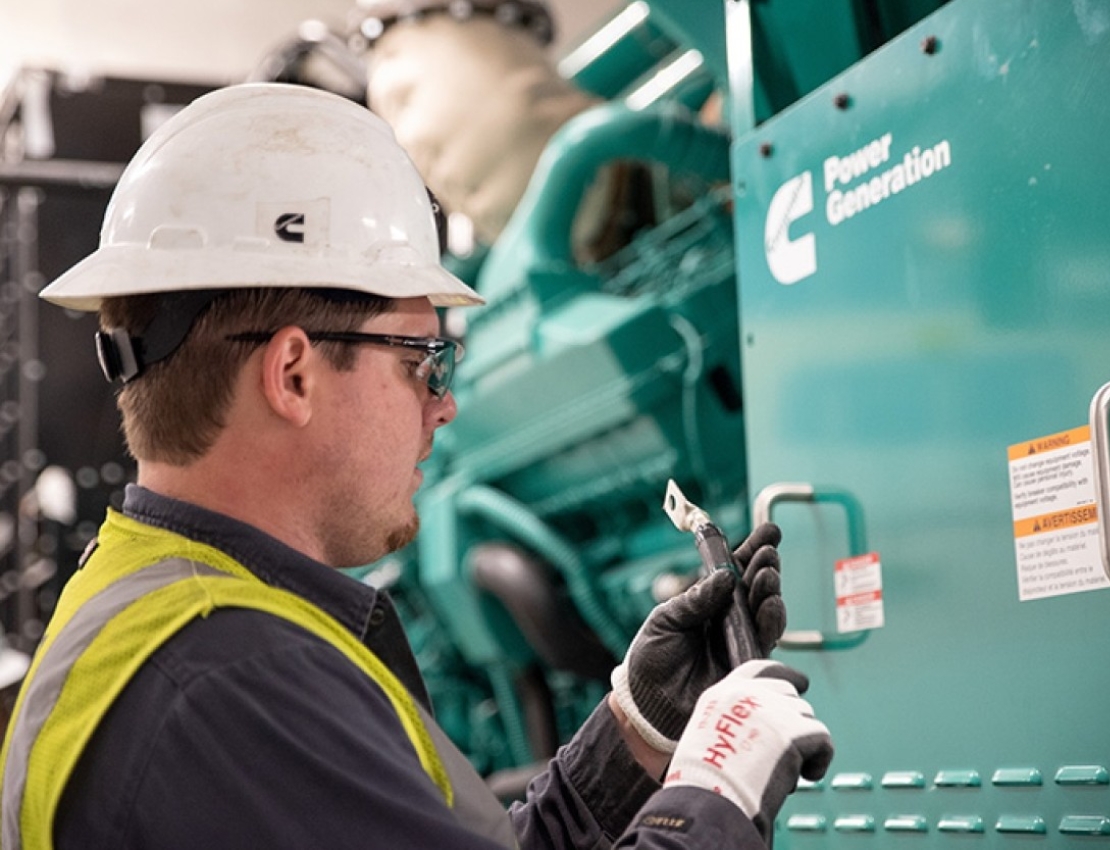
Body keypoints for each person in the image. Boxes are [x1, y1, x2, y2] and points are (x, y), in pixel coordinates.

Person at [0, 83, 832, 849]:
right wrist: (717, 791)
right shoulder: (231, 678)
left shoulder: (166, 617)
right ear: (293, 375)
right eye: (422, 361)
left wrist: (639, 732)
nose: (444, 404)